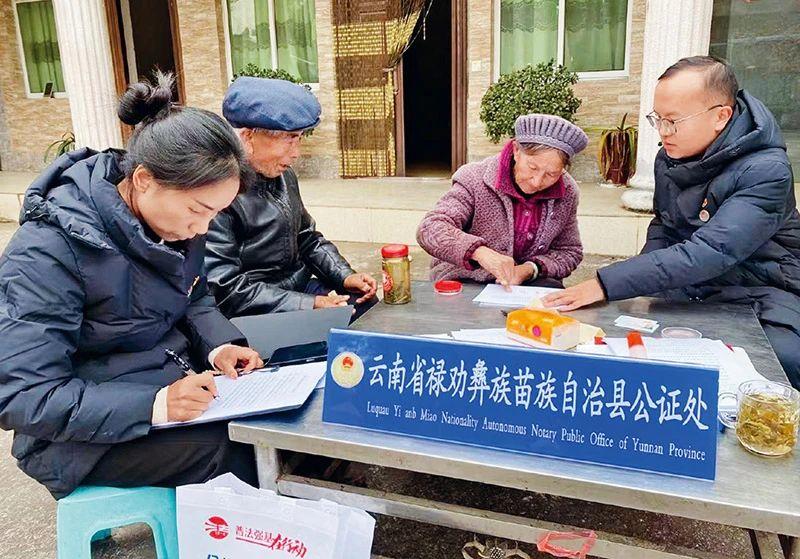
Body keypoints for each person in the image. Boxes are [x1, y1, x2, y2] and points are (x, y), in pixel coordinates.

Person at [0, 73, 264, 498]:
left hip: (168, 381)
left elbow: (193, 295)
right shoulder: (47, 252)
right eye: (198, 210)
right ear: (143, 180)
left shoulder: (174, 225)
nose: (203, 228)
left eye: (215, 214)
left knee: (275, 425)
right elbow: (24, 396)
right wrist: (156, 405)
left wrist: (219, 346)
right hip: (77, 440)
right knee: (244, 449)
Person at [543, 56, 800, 389]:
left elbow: (709, 252)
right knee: (621, 340)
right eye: (658, 119)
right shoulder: (670, 156)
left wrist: (606, 283)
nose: (663, 132)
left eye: (674, 121)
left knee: (772, 364)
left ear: (721, 116)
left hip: (760, 289)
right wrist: (639, 287)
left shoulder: (766, 170)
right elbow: (664, 226)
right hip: (689, 286)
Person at [205, 77, 378, 319]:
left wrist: (345, 275)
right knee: (337, 322)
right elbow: (225, 288)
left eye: (299, 138)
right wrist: (308, 305)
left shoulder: (284, 175)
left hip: (298, 288)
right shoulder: (215, 192)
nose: (296, 153)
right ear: (248, 136)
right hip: (256, 305)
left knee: (364, 305)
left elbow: (307, 238)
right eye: (289, 139)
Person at [416, 114, 587, 289]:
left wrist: (529, 270)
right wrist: (479, 253)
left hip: (527, 283)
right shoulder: (473, 178)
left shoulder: (567, 190)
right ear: (516, 150)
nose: (537, 182)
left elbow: (569, 251)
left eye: (551, 174)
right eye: (532, 167)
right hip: (466, 278)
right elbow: (431, 228)